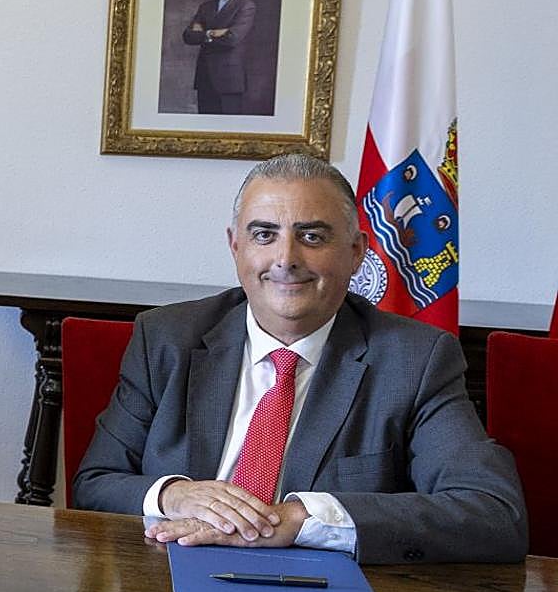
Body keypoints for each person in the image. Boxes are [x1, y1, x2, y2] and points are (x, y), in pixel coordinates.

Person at [72, 152, 527, 563]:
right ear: (236, 247)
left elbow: (493, 512)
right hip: (172, 578)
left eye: (311, 236)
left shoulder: (414, 360)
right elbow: (95, 482)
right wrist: (174, 495)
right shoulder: (167, 338)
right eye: (264, 235)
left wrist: (304, 518)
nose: (286, 258)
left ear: (356, 253)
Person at [182, 0, 256, 114]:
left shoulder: (246, 5)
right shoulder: (206, 7)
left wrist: (203, 34)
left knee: (229, 126)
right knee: (204, 125)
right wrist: (211, 33)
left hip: (229, 80)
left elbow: (232, 39)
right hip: (205, 77)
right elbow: (188, 36)